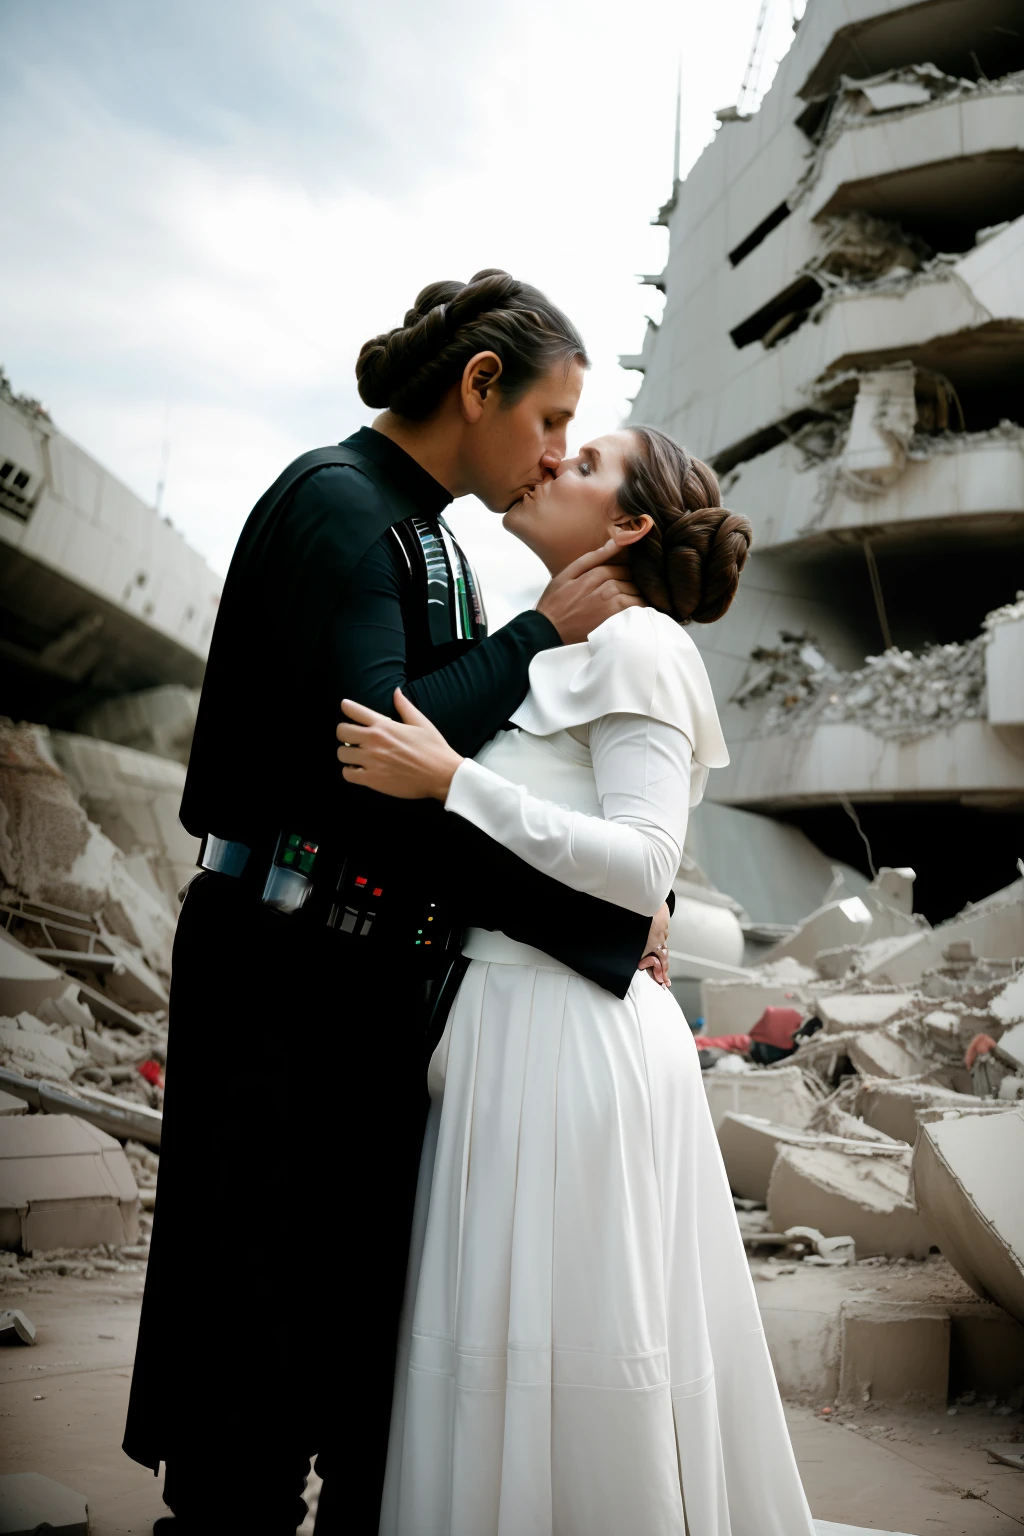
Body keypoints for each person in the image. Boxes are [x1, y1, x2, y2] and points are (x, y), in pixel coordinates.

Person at [123, 271, 671, 1534]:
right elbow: (383, 765)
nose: (550, 457)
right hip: (281, 971)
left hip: (369, 982)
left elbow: (445, 794)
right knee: (249, 1366)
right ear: (478, 387)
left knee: (364, 1365)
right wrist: (536, 633)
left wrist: (597, 916)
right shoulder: (337, 506)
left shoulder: (425, 532)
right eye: (549, 421)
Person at [336, 427, 820, 1535]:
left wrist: (456, 781)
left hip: (565, 1036)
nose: (553, 463)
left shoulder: (642, 643)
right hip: (510, 1025)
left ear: (630, 524)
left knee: (562, 1355)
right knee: (504, 1350)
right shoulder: (556, 651)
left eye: (586, 462)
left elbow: (644, 863)